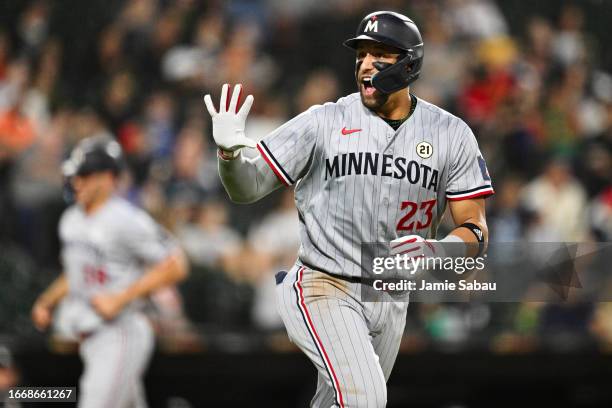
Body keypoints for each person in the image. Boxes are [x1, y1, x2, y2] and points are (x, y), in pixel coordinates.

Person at [204, 11, 494, 407]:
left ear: (409, 63)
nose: (365, 65)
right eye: (361, 55)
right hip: (325, 282)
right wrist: (228, 155)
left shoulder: (451, 134)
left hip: (390, 297)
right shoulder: (325, 120)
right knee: (365, 399)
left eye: (379, 55)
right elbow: (247, 187)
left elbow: (475, 231)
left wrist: (440, 249)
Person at [31, 136, 188, 408]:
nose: (77, 181)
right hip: (90, 335)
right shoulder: (71, 220)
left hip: (120, 331)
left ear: (107, 177)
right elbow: (76, 274)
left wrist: (121, 298)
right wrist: (48, 300)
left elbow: (176, 264)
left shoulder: (126, 220)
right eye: (76, 174)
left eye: (85, 175)